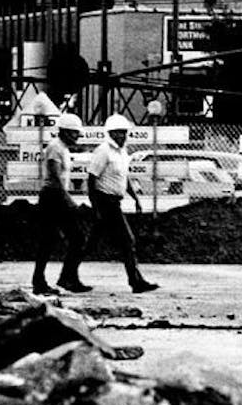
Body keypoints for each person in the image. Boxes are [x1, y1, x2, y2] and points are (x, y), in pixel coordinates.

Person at [87, 114, 159, 294]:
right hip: (105, 202)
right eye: (118, 132)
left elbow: (123, 179)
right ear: (110, 133)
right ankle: (136, 282)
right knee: (127, 241)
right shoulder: (103, 151)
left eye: (124, 132)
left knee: (91, 243)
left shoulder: (122, 153)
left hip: (114, 202)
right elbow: (91, 179)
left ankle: (68, 273)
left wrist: (135, 198)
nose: (122, 136)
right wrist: (96, 207)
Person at [32, 112, 91, 295]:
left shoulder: (62, 148)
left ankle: (64, 278)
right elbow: (55, 178)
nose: (77, 137)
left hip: (56, 197)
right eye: (74, 133)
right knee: (62, 239)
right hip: (53, 197)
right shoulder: (55, 148)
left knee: (62, 239)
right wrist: (69, 201)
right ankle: (53, 280)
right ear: (64, 131)